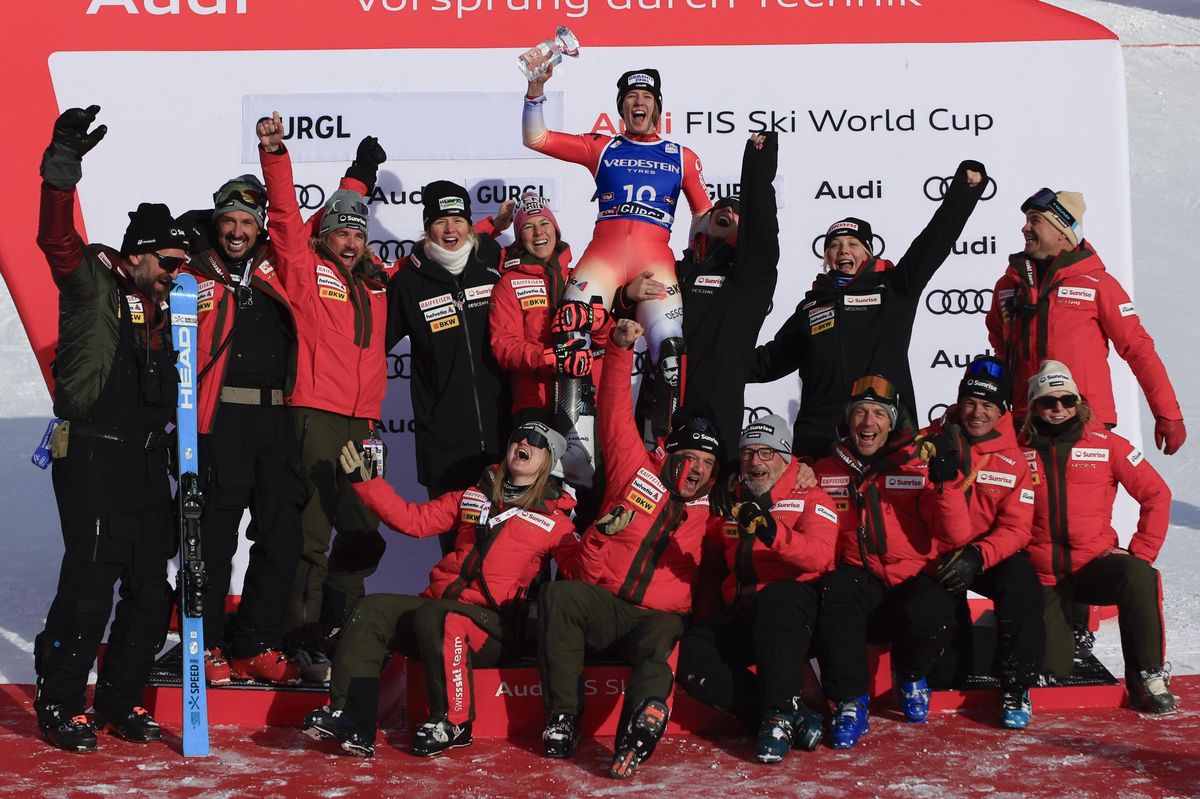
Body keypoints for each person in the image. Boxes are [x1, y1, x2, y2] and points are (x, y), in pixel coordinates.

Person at [33, 106, 185, 751]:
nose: (180, 274)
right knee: (92, 577)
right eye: (171, 262)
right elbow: (56, 240)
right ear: (140, 255)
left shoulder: (174, 314)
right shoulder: (95, 283)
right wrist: (62, 166)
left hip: (150, 461)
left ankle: (121, 698)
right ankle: (61, 696)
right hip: (94, 451)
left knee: (153, 586)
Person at [299, 420, 578, 758]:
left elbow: (580, 568)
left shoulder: (554, 520)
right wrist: (367, 483)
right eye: (517, 436)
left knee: (441, 617)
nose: (523, 442)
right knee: (373, 610)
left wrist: (606, 539)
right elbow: (414, 520)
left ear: (549, 460)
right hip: (437, 612)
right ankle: (353, 717)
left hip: (491, 627)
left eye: (536, 440)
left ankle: (453, 722)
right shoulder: (473, 496)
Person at [537, 318, 718, 780]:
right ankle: (562, 717)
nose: (696, 470)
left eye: (707, 464)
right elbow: (616, 410)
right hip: (608, 604)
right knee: (560, 597)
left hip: (657, 617)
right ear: (671, 452)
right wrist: (618, 351)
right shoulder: (636, 470)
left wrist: (800, 473)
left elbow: (769, 480)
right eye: (691, 458)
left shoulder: (714, 506)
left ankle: (640, 727)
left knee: (663, 637)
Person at [257, 111, 397, 680]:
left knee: (364, 528)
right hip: (313, 413)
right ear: (323, 236)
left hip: (362, 424)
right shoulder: (303, 266)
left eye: (359, 232)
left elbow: (446, 253)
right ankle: (302, 635)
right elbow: (287, 214)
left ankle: (340, 624)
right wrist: (275, 153)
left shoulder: (375, 281)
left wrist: (485, 232)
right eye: (341, 231)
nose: (351, 240)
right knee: (312, 533)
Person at [748, 160, 987, 459]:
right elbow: (769, 362)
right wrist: (709, 363)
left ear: (868, 252)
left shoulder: (894, 287)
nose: (843, 250)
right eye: (834, 245)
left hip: (884, 432)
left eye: (853, 243)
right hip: (821, 439)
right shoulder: (812, 305)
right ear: (826, 257)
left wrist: (964, 191)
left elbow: (933, 242)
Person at [523, 66, 712, 439]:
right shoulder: (603, 146)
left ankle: (658, 442)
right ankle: (574, 441)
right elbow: (537, 138)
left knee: (671, 351)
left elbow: (703, 211)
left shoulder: (682, 156)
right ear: (621, 109)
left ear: (657, 107)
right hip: (603, 259)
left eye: (646, 97)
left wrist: (696, 256)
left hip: (654, 261)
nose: (638, 103)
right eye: (630, 97)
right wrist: (535, 89)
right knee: (570, 332)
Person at [178, 172, 304, 687]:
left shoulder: (278, 269)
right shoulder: (192, 274)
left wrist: (357, 179)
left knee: (282, 537)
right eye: (228, 220)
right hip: (220, 422)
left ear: (259, 228)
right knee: (212, 540)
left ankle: (254, 642)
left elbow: (305, 225)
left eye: (246, 222)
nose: (236, 230)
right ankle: (204, 644)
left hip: (276, 418)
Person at [812, 376, 973, 749]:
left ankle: (912, 674)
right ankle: (850, 700)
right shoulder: (826, 468)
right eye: (860, 413)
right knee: (836, 592)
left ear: (892, 421)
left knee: (933, 609)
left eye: (878, 414)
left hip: (912, 574)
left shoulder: (918, 465)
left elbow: (956, 535)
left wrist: (945, 483)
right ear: (848, 420)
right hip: (860, 575)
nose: (868, 422)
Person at [678, 413, 838, 764]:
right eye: (748, 453)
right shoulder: (729, 500)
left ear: (785, 458)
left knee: (778, 597)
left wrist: (773, 533)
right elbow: (712, 564)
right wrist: (704, 618)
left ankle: (778, 717)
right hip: (740, 609)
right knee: (690, 656)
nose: (755, 461)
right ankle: (783, 715)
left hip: (791, 615)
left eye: (766, 453)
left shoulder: (813, 497)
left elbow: (820, 556)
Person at [1020, 360, 1176, 713]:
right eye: (1048, 402)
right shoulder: (1016, 449)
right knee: (1054, 668)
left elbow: (1157, 495)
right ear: (1033, 406)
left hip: (1093, 566)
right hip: (1042, 576)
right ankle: (1070, 633)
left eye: (1067, 400)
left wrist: (1141, 552)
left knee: (1139, 575)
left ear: (1079, 402)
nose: (1059, 409)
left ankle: (1146, 676)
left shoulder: (1107, 444)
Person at [619, 132, 779, 464]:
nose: (728, 212)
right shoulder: (670, 270)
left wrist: (757, 163)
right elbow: (610, 312)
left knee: (712, 511)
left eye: (738, 213)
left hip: (715, 415)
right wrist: (625, 296)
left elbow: (762, 231)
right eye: (721, 209)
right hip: (656, 409)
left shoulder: (747, 277)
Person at [987, 189, 1185, 453]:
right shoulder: (1008, 285)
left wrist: (1167, 413)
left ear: (1062, 230)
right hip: (1026, 424)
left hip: (1084, 424)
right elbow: (999, 340)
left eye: (1035, 220)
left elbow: (1138, 350)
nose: (1025, 228)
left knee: (1082, 496)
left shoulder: (1099, 285)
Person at [387, 180, 512, 554]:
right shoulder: (409, 282)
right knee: (459, 551)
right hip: (444, 443)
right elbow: (372, 348)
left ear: (470, 224)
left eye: (458, 219)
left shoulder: (493, 262)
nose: (451, 229)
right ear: (428, 227)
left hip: (503, 434)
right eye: (441, 221)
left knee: (513, 546)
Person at [921, 357, 1043, 729]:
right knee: (944, 670)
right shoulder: (929, 442)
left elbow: (1019, 528)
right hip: (938, 552)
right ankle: (942, 677)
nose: (977, 413)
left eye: (988, 405)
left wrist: (979, 554)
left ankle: (1016, 685)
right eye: (971, 402)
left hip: (986, 555)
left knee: (1022, 580)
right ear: (959, 402)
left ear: (1002, 409)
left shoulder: (1016, 459)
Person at [488, 191, 615, 528]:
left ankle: (584, 577)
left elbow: (609, 339)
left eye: (544, 223)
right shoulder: (510, 284)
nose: (538, 232)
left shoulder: (582, 277)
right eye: (528, 227)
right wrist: (553, 358)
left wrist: (597, 322)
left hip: (586, 403)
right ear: (519, 237)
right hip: (536, 405)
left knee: (595, 502)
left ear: (556, 230)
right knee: (534, 505)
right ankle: (532, 580)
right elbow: (504, 347)